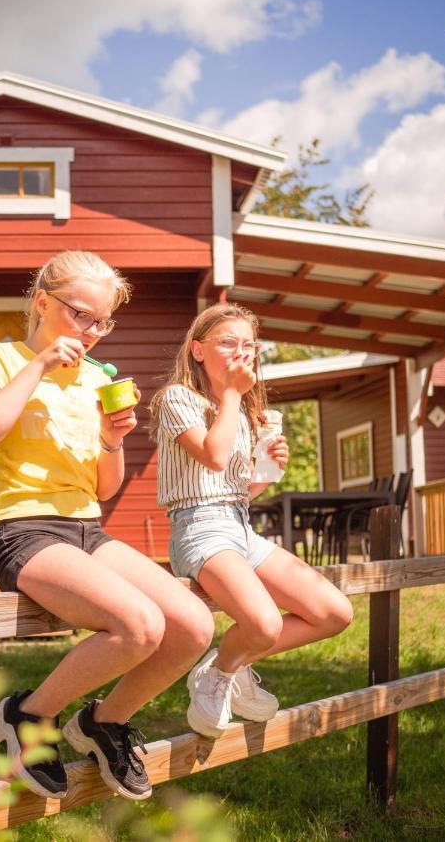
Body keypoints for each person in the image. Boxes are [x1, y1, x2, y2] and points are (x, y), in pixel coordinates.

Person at [0, 250, 215, 800]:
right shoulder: (2, 357)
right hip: (24, 529)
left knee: (193, 626)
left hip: (86, 528)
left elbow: (103, 489)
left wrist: (112, 439)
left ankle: (103, 721)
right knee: (141, 626)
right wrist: (39, 365)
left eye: (102, 321)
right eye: (80, 315)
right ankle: (26, 715)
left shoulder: (97, 376)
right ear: (41, 302)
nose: (92, 331)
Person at [149, 303, 353, 738]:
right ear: (199, 350)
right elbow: (213, 455)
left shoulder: (238, 411)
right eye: (228, 342)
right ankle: (219, 675)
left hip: (239, 526)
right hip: (199, 527)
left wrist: (268, 469)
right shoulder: (177, 399)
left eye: (248, 345)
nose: (241, 352)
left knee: (333, 612)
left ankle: (231, 663)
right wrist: (231, 395)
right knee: (263, 624)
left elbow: (238, 488)